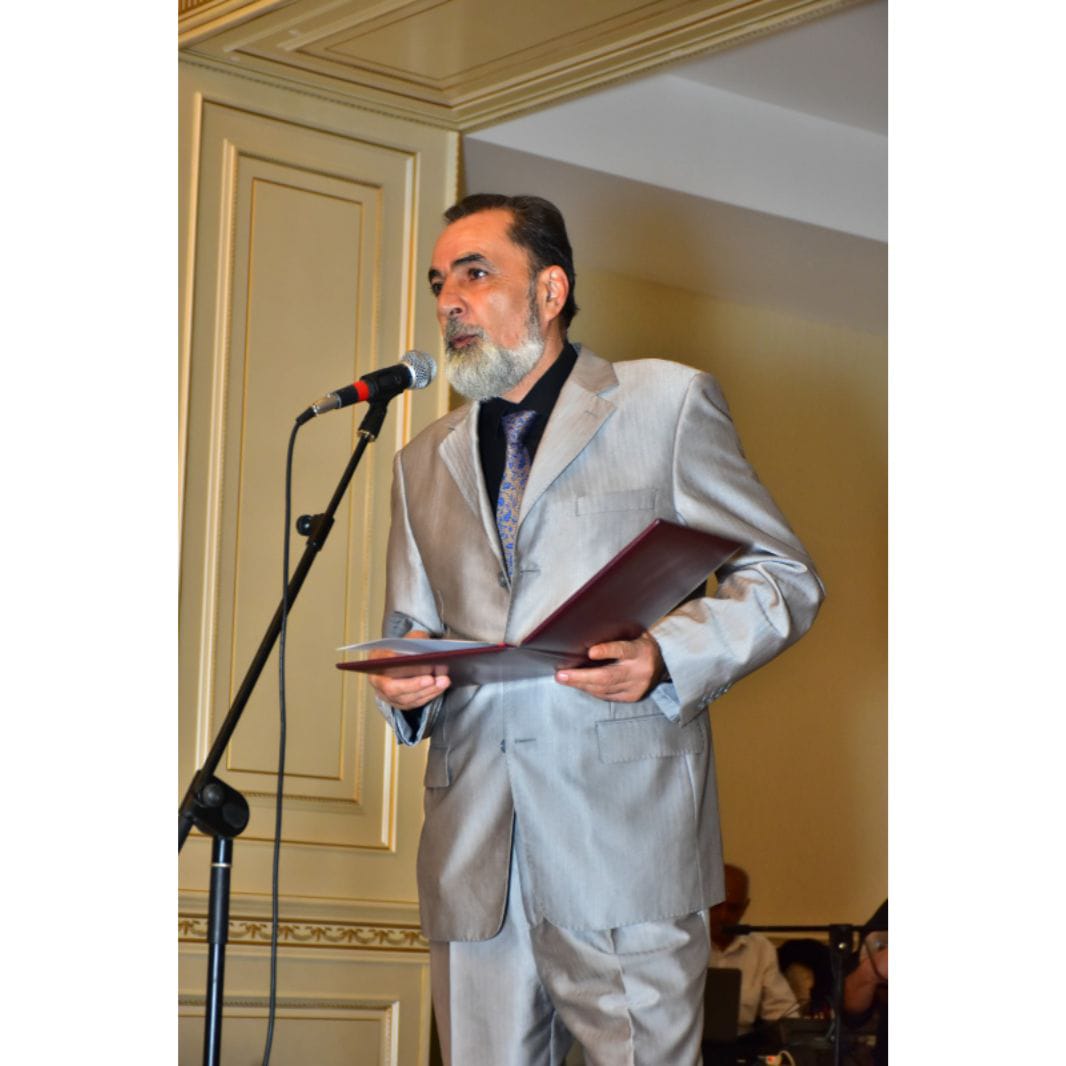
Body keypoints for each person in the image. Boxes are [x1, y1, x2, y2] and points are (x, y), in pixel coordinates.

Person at [366, 193, 825, 1066]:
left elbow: (784, 577)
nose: (450, 300)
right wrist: (404, 684)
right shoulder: (420, 460)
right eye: (439, 282)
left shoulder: (666, 403)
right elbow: (410, 627)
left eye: (475, 273)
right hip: (473, 856)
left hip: (626, 844)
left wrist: (666, 657)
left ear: (549, 290)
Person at [708, 864, 800, 1035]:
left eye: (733, 908)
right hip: (688, 1046)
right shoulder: (681, 944)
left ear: (745, 907)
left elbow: (782, 1011)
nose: (723, 916)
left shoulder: (760, 948)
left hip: (741, 1044)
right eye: (716, 906)